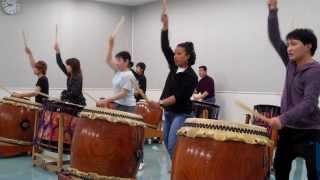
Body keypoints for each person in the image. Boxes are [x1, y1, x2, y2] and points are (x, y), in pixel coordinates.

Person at [267, 0, 320, 179]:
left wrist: (282, 118)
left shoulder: (315, 71)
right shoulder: (291, 63)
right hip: (288, 129)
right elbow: (275, 38)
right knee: (280, 169)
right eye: (288, 44)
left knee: (315, 173)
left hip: (310, 131)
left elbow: (309, 103)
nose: (289, 48)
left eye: (294, 44)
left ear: (308, 46)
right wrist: (272, 10)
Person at [149, 13, 198, 159]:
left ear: (187, 56)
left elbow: (177, 97)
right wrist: (165, 26)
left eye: (179, 53)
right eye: (175, 53)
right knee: (167, 143)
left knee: (172, 144)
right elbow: (165, 46)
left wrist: (159, 103)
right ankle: (178, 168)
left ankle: (181, 169)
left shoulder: (191, 76)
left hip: (182, 113)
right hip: (169, 112)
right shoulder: (174, 67)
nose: (175, 56)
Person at [96, 36, 136, 113]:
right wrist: (111, 46)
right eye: (116, 60)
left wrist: (106, 100)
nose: (116, 62)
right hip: (118, 104)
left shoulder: (129, 75)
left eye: (119, 60)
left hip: (127, 107)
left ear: (126, 61)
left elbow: (123, 94)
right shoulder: (118, 70)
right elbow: (108, 60)